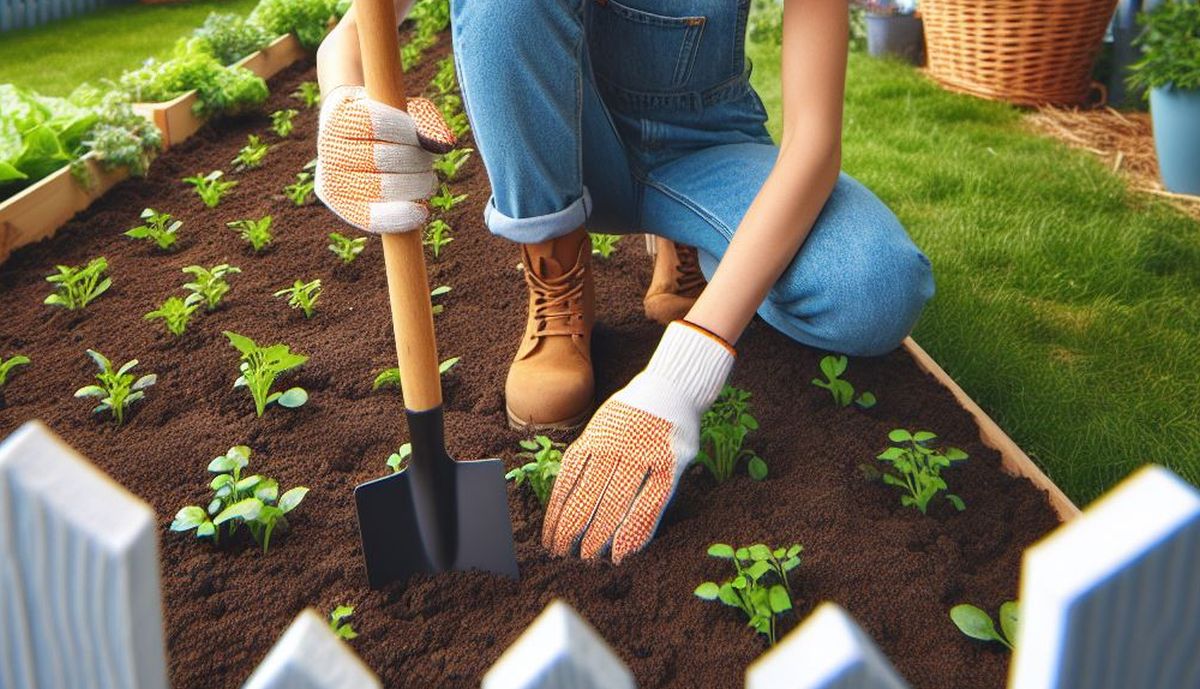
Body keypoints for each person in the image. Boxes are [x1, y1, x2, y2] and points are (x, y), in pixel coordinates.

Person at [315, 0, 934, 565]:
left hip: (707, 146)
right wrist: (342, 101)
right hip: (567, 143)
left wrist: (680, 376)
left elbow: (815, 142)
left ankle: (696, 244)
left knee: (876, 289)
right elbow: (349, 39)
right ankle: (556, 280)